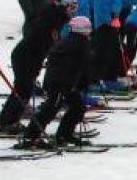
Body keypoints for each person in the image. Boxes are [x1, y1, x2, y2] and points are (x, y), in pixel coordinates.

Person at [0, 0, 77, 134]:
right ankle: (7, 122)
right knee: (23, 89)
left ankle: (9, 120)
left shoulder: (55, 16)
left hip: (30, 57)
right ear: (64, 5)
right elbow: (46, 39)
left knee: (24, 89)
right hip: (25, 57)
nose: (72, 12)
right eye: (71, 7)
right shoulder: (53, 18)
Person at [18, 16, 94, 149]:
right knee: (51, 108)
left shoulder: (68, 41)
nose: (90, 31)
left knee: (77, 107)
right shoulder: (82, 43)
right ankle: (30, 137)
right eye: (88, 28)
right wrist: (85, 82)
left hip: (61, 81)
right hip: (62, 83)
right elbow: (84, 66)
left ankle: (64, 135)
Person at [89, 0, 130, 91]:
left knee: (113, 52)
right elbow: (103, 6)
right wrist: (112, 18)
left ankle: (109, 78)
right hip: (106, 25)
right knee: (105, 52)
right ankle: (98, 80)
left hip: (109, 23)